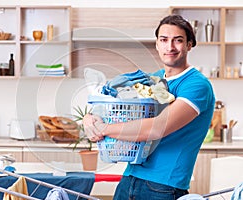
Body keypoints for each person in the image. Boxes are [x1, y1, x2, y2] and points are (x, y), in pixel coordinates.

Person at [83, 14, 215, 200]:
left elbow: (157, 127)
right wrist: (90, 118)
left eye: (178, 40)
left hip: (164, 186)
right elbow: (122, 114)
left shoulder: (196, 84)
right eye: (164, 40)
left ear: (189, 45)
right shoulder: (153, 79)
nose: (170, 47)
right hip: (130, 177)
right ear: (157, 44)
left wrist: (103, 130)